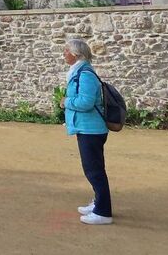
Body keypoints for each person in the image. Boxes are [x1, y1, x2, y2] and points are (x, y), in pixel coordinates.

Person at [60, 38, 112, 225]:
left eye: (66, 50)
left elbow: (86, 102)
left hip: (91, 129)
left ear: (76, 54)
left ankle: (103, 212)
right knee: (93, 169)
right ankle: (99, 203)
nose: (64, 54)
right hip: (87, 128)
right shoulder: (79, 72)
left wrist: (66, 102)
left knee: (94, 171)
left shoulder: (85, 75)